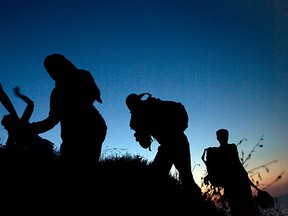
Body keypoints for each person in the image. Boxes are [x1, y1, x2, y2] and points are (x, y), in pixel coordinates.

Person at [125, 93, 203, 202]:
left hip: (174, 145)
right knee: (183, 178)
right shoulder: (151, 107)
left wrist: (140, 131)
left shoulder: (145, 112)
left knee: (180, 178)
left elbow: (145, 144)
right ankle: (198, 202)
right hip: (175, 144)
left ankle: (199, 203)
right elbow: (146, 142)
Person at [31, 53, 107, 164]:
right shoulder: (59, 90)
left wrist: (31, 128)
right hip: (80, 132)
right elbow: (52, 120)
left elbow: (52, 120)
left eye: (53, 68)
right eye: (49, 69)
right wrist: (31, 128)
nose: (52, 72)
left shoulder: (62, 89)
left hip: (90, 129)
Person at [209, 128, 261, 216]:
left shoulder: (216, 152)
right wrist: (250, 182)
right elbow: (238, 166)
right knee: (250, 209)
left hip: (230, 186)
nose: (226, 138)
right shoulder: (232, 147)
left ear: (217, 138)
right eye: (225, 136)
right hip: (240, 184)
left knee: (237, 210)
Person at [0, 84, 54, 160]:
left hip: (41, 151)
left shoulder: (13, 134)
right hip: (40, 151)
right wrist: (19, 94)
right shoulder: (21, 124)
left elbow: (30, 104)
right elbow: (30, 103)